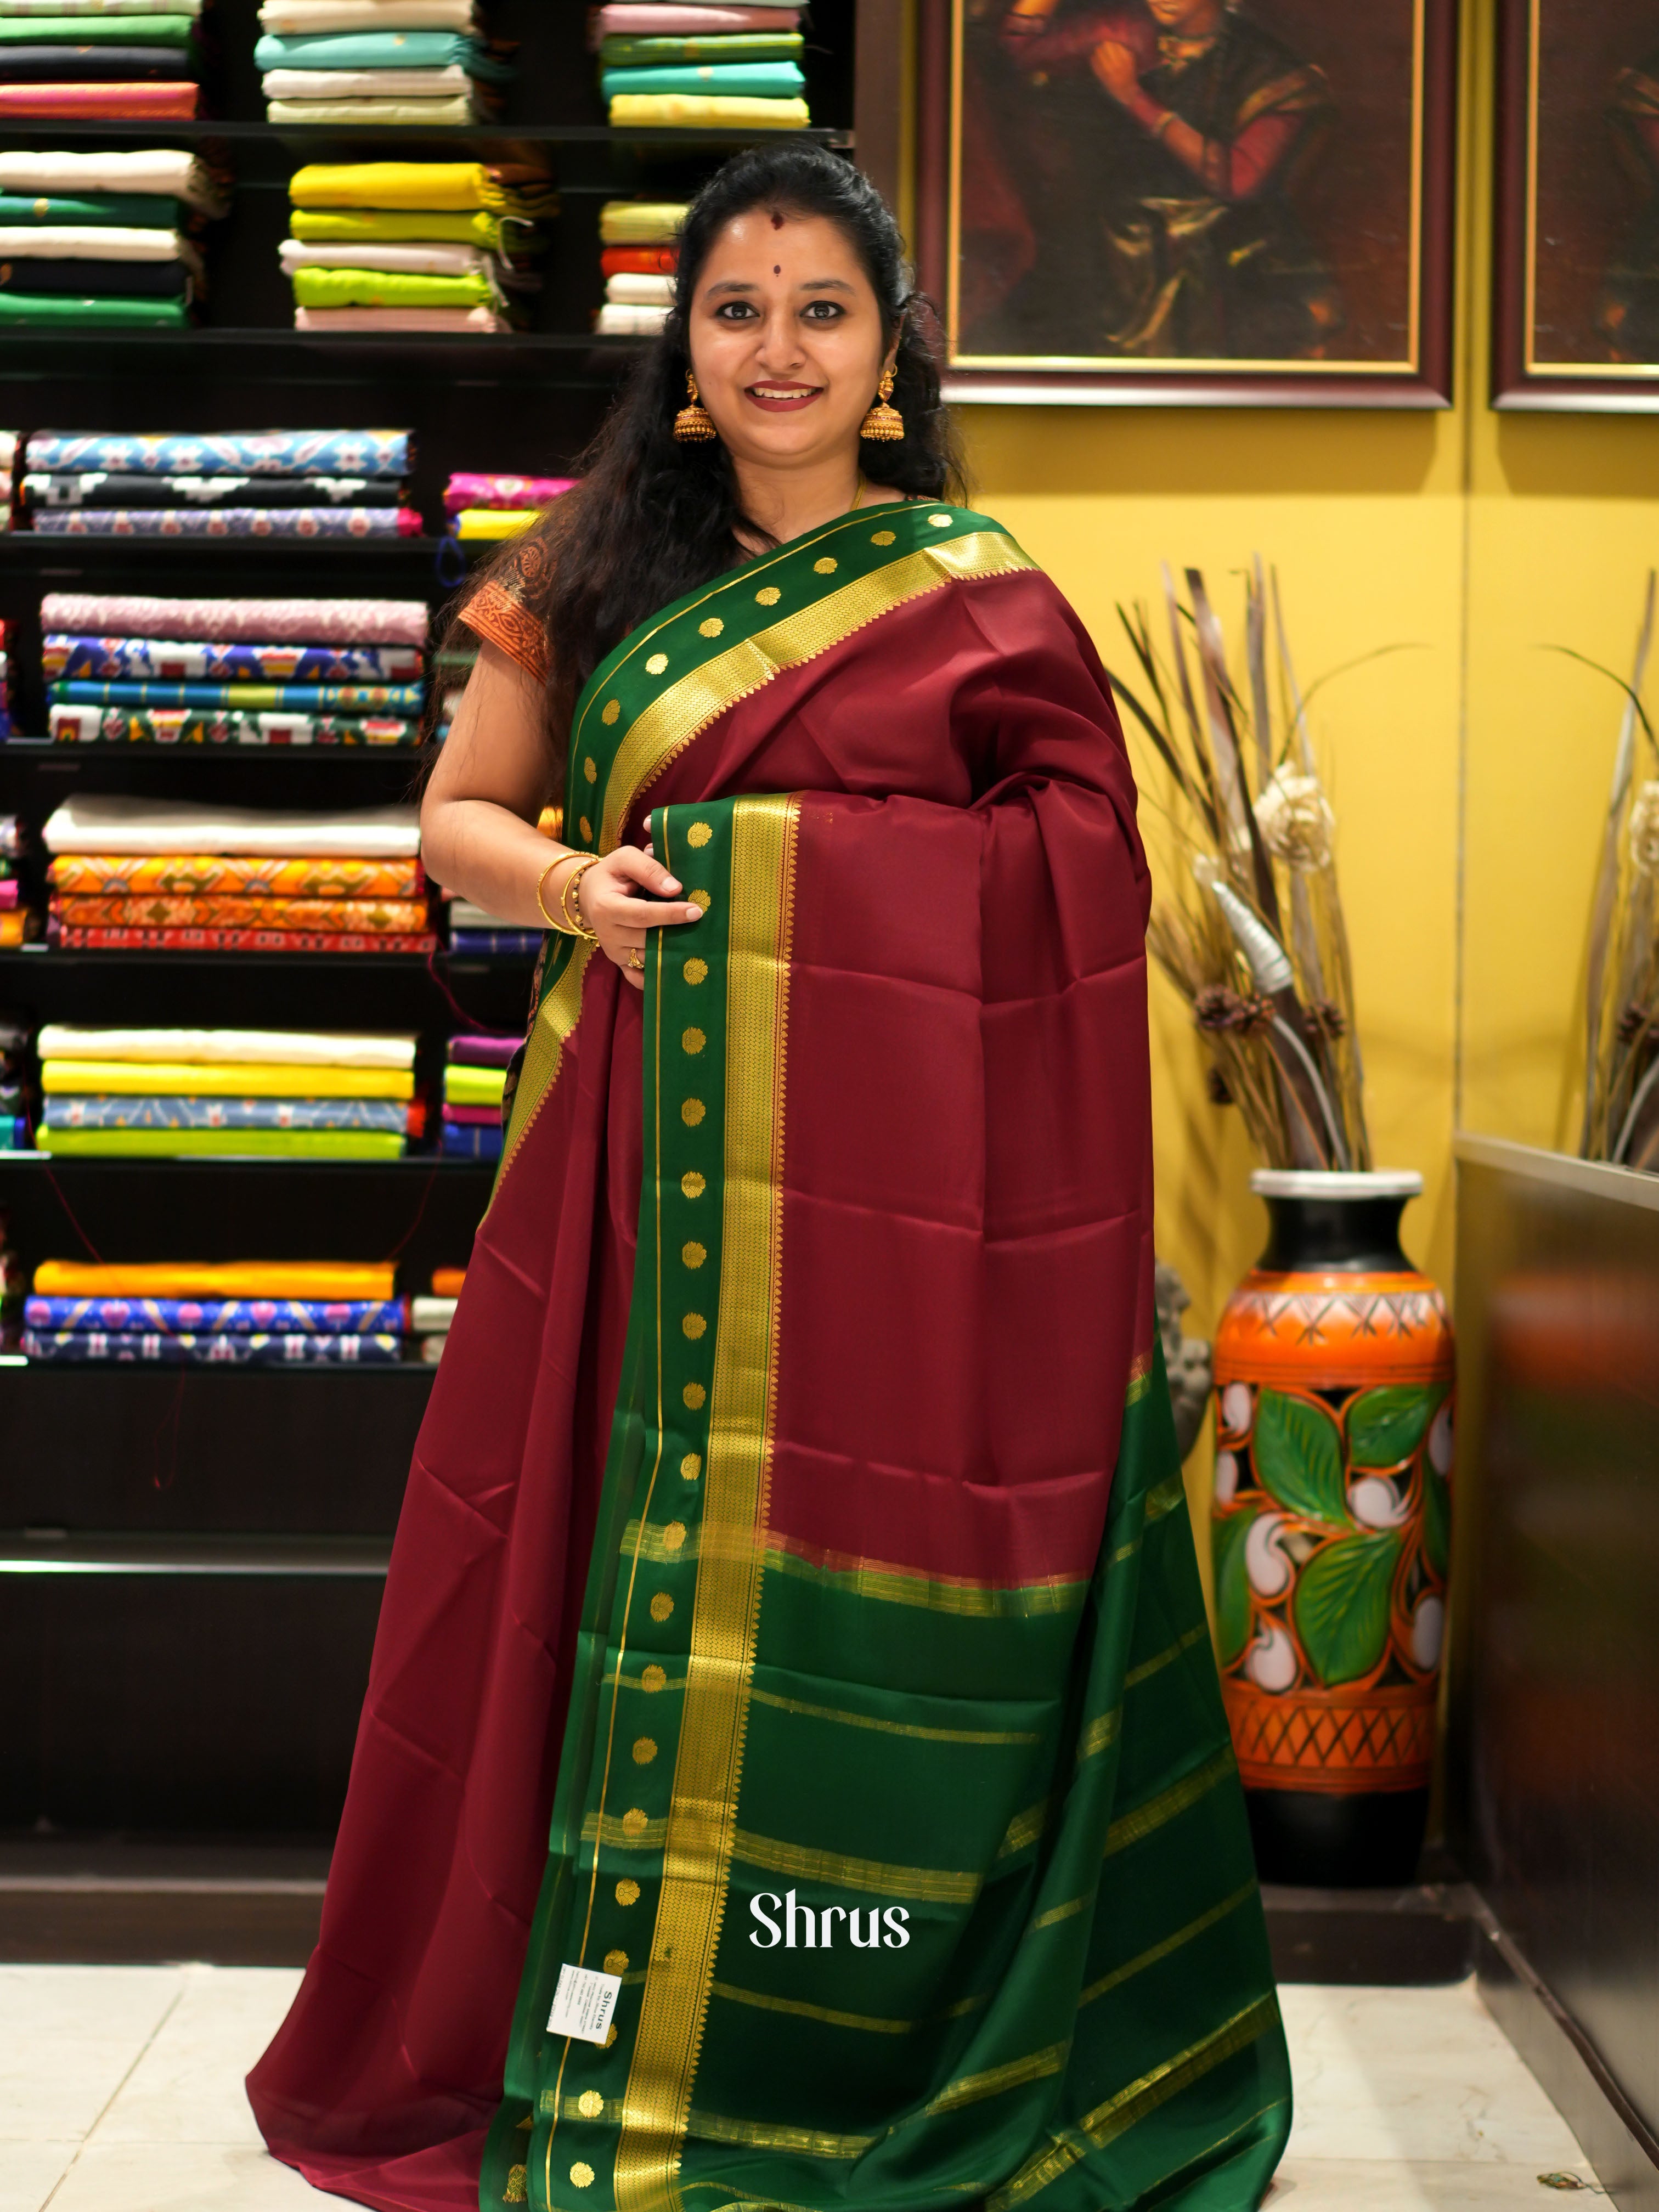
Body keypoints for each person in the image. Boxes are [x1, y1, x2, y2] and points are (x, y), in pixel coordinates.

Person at [247, 142, 1291, 2212]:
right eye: (737, 309)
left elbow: (1085, 870)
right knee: (579, 1571)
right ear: (685, 351)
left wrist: (772, 876)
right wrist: (582, 885)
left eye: (822, 308)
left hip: (912, 1249)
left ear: (891, 348)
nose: (779, 347)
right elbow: (456, 818)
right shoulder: (581, 571)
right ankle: (592, 2018)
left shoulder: (973, 592)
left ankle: (886, 1991)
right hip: (645, 1191)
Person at [971, 0, 1339, 359]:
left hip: (1226, 255)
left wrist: (1134, 98)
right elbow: (1015, 48)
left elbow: (1236, 178)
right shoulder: (1123, 30)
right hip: (1118, 246)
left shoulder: (1272, 71)